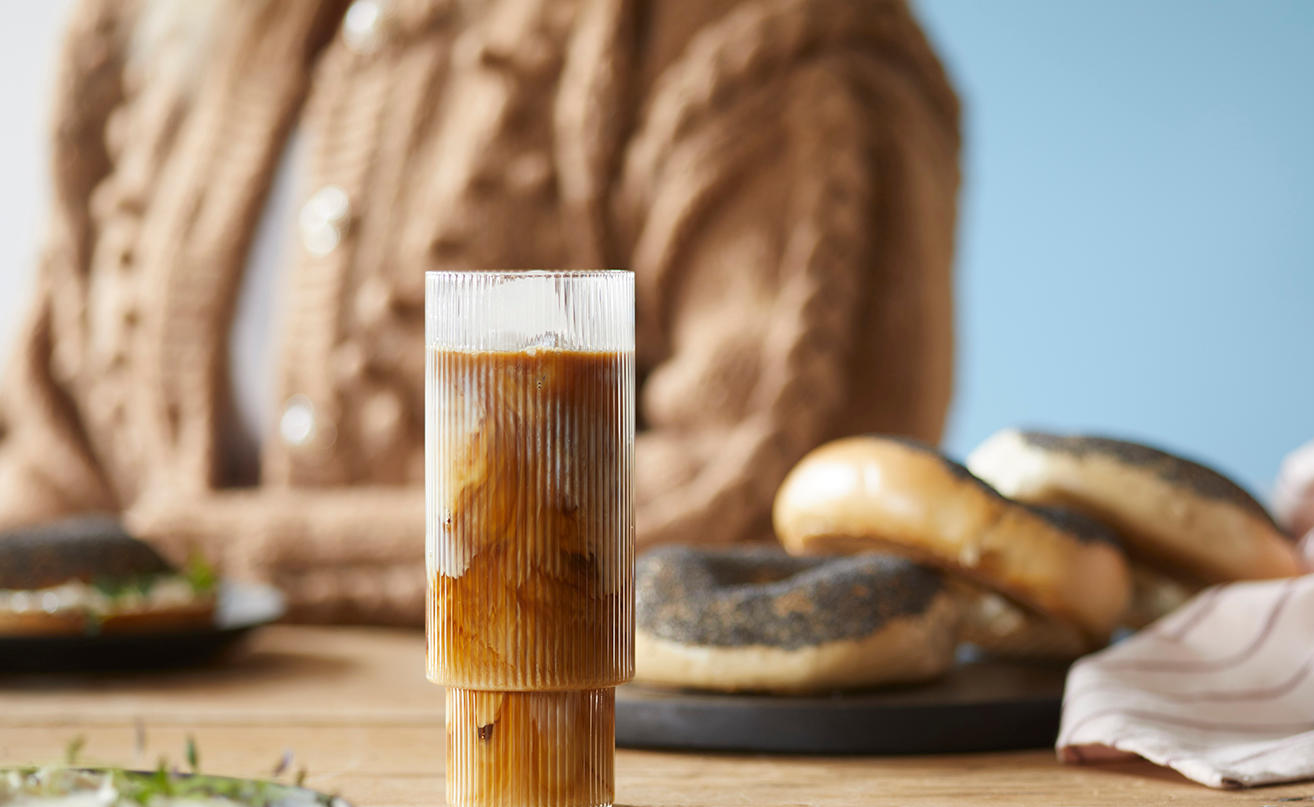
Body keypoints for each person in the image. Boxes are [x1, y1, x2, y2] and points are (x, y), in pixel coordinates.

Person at [0, 0, 959, 622]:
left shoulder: (770, 39)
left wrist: (198, 557)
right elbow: (51, 470)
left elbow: (774, 522)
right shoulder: (135, 34)